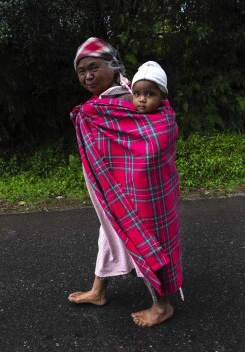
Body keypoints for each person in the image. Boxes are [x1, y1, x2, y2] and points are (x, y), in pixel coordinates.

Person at [69, 37, 183, 327]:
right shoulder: (100, 103)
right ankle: (98, 290)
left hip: (131, 192)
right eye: (81, 71)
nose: (87, 76)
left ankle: (162, 305)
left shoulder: (128, 99)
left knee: (138, 237)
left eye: (94, 67)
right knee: (108, 234)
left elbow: (149, 138)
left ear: (113, 65)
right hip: (110, 189)